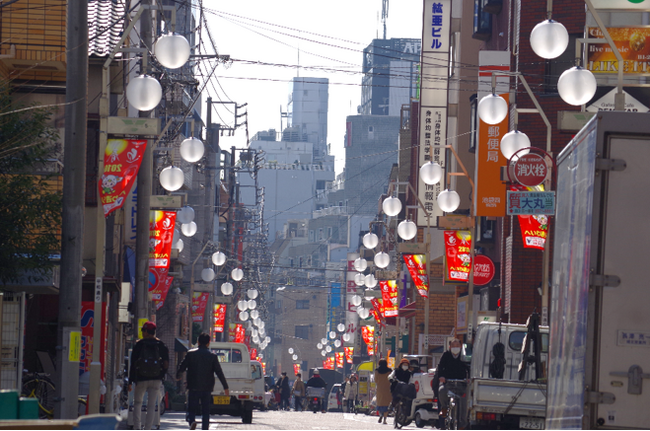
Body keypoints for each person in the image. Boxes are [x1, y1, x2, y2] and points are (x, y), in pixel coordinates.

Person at [176, 332, 229, 430]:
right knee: (205, 411)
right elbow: (219, 372)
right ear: (208, 343)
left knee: (191, 408)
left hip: (193, 386)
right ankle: (205, 428)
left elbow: (182, 366)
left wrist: (178, 375)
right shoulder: (212, 356)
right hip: (207, 388)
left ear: (198, 342)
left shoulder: (191, 354)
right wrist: (225, 387)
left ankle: (192, 421)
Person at [128, 321, 169, 431]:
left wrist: (130, 381)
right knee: (151, 406)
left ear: (146, 331)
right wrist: (161, 376)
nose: (142, 333)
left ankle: (137, 428)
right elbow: (166, 364)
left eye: (143, 331)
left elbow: (133, 364)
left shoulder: (139, 345)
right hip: (156, 379)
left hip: (141, 379)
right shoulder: (161, 345)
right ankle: (148, 428)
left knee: (137, 403)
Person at [438, 339, 469, 429]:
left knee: (464, 403)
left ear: (460, 346)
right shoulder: (446, 355)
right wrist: (441, 376)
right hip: (448, 383)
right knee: (442, 391)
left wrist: (468, 378)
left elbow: (469, 368)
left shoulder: (465, 356)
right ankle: (444, 408)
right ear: (450, 347)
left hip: (461, 384)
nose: (455, 347)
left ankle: (462, 425)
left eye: (457, 345)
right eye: (453, 345)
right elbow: (440, 367)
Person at [374, 359, 392, 424]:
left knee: (380, 403)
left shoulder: (377, 371)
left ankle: (381, 415)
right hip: (387, 389)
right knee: (386, 404)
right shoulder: (389, 371)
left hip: (380, 389)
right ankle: (385, 419)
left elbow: (375, 380)